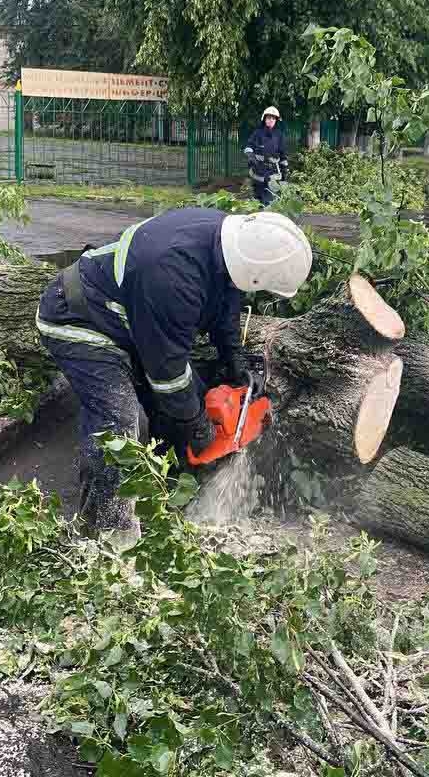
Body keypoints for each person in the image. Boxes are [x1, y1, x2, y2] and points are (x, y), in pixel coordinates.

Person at [36, 207, 313, 543]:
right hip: (79, 320)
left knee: (185, 399)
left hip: (132, 320)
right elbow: (167, 375)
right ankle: (105, 531)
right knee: (120, 424)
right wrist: (196, 425)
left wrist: (232, 355)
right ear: (254, 271)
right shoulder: (170, 274)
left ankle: (164, 487)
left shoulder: (226, 244)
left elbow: (226, 302)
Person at [247, 105, 288, 205]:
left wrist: (285, 170)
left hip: (273, 174)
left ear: (276, 120)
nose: (271, 120)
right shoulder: (257, 133)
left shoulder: (279, 135)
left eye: (273, 118)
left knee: (269, 201)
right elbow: (248, 147)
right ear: (264, 119)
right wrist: (251, 156)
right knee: (257, 202)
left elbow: (282, 154)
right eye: (269, 118)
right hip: (258, 173)